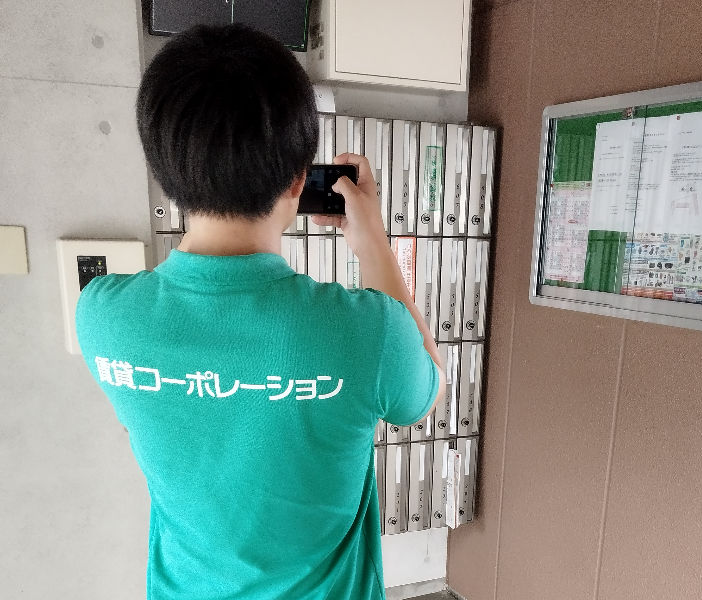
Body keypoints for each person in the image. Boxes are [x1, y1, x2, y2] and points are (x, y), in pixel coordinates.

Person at [75, 23, 445, 600]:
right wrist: (371, 238)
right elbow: (423, 394)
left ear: (165, 174)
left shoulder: (103, 317)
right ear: (299, 180)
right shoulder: (367, 330)